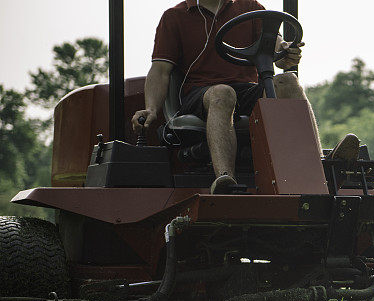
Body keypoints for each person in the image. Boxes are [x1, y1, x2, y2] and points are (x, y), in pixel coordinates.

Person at [131, 0, 358, 193]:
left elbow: (277, 52)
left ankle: (319, 166)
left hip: (246, 89)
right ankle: (225, 178)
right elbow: (160, 71)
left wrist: (287, 51)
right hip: (199, 93)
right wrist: (151, 108)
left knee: (287, 81)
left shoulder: (249, 7)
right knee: (223, 92)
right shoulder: (175, 17)